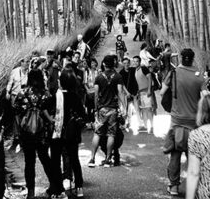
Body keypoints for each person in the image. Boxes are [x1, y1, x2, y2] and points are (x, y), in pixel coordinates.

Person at [160, 48, 205, 197]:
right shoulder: (199, 76)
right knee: (194, 156)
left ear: (180, 58)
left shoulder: (173, 73)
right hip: (194, 122)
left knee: (175, 155)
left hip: (176, 121)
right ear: (192, 59)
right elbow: (206, 97)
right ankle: (196, 188)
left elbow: (162, 92)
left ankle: (173, 187)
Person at [14, 70, 65, 199]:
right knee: (45, 159)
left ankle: (31, 192)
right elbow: (51, 114)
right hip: (42, 134)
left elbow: (16, 112)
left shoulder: (22, 94)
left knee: (29, 162)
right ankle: (54, 186)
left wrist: (19, 131)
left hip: (27, 134)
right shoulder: (46, 94)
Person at [51, 69, 86, 198]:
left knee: (55, 161)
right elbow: (84, 115)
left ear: (61, 82)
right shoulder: (75, 96)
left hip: (58, 133)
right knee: (74, 160)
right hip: (72, 134)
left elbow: (44, 107)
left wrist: (52, 119)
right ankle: (79, 187)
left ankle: (58, 190)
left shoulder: (56, 96)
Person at [88, 55, 126, 167]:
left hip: (102, 109)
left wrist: (95, 108)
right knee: (111, 134)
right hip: (113, 109)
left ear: (104, 64)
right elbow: (120, 92)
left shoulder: (99, 77)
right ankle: (108, 159)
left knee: (97, 133)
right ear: (113, 64)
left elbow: (96, 95)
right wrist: (123, 105)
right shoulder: (118, 76)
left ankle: (92, 159)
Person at [133, 55, 154, 133]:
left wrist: (149, 90)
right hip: (140, 93)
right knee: (143, 110)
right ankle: (145, 126)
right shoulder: (135, 70)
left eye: (137, 61)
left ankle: (152, 127)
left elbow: (149, 78)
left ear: (140, 62)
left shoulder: (143, 68)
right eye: (134, 61)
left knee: (149, 109)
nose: (135, 63)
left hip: (146, 92)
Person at [119, 56, 139, 129]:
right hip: (125, 93)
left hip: (134, 92)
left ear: (129, 63)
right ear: (122, 64)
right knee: (125, 108)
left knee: (132, 108)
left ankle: (130, 122)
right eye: (124, 63)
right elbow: (122, 84)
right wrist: (127, 93)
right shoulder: (121, 73)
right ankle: (125, 122)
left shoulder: (133, 70)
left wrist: (137, 91)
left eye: (127, 63)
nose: (126, 65)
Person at [84, 58, 99, 126]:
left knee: (95, 106)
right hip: (89, 92)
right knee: (89, 107)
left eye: (95, 62)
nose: (94, 64)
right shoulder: (86, 71)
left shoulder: (98, 72)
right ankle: (89, 121)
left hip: (96, 92)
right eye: (92, 63)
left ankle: (95, 121)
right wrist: (87, 90)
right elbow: (84, 82)